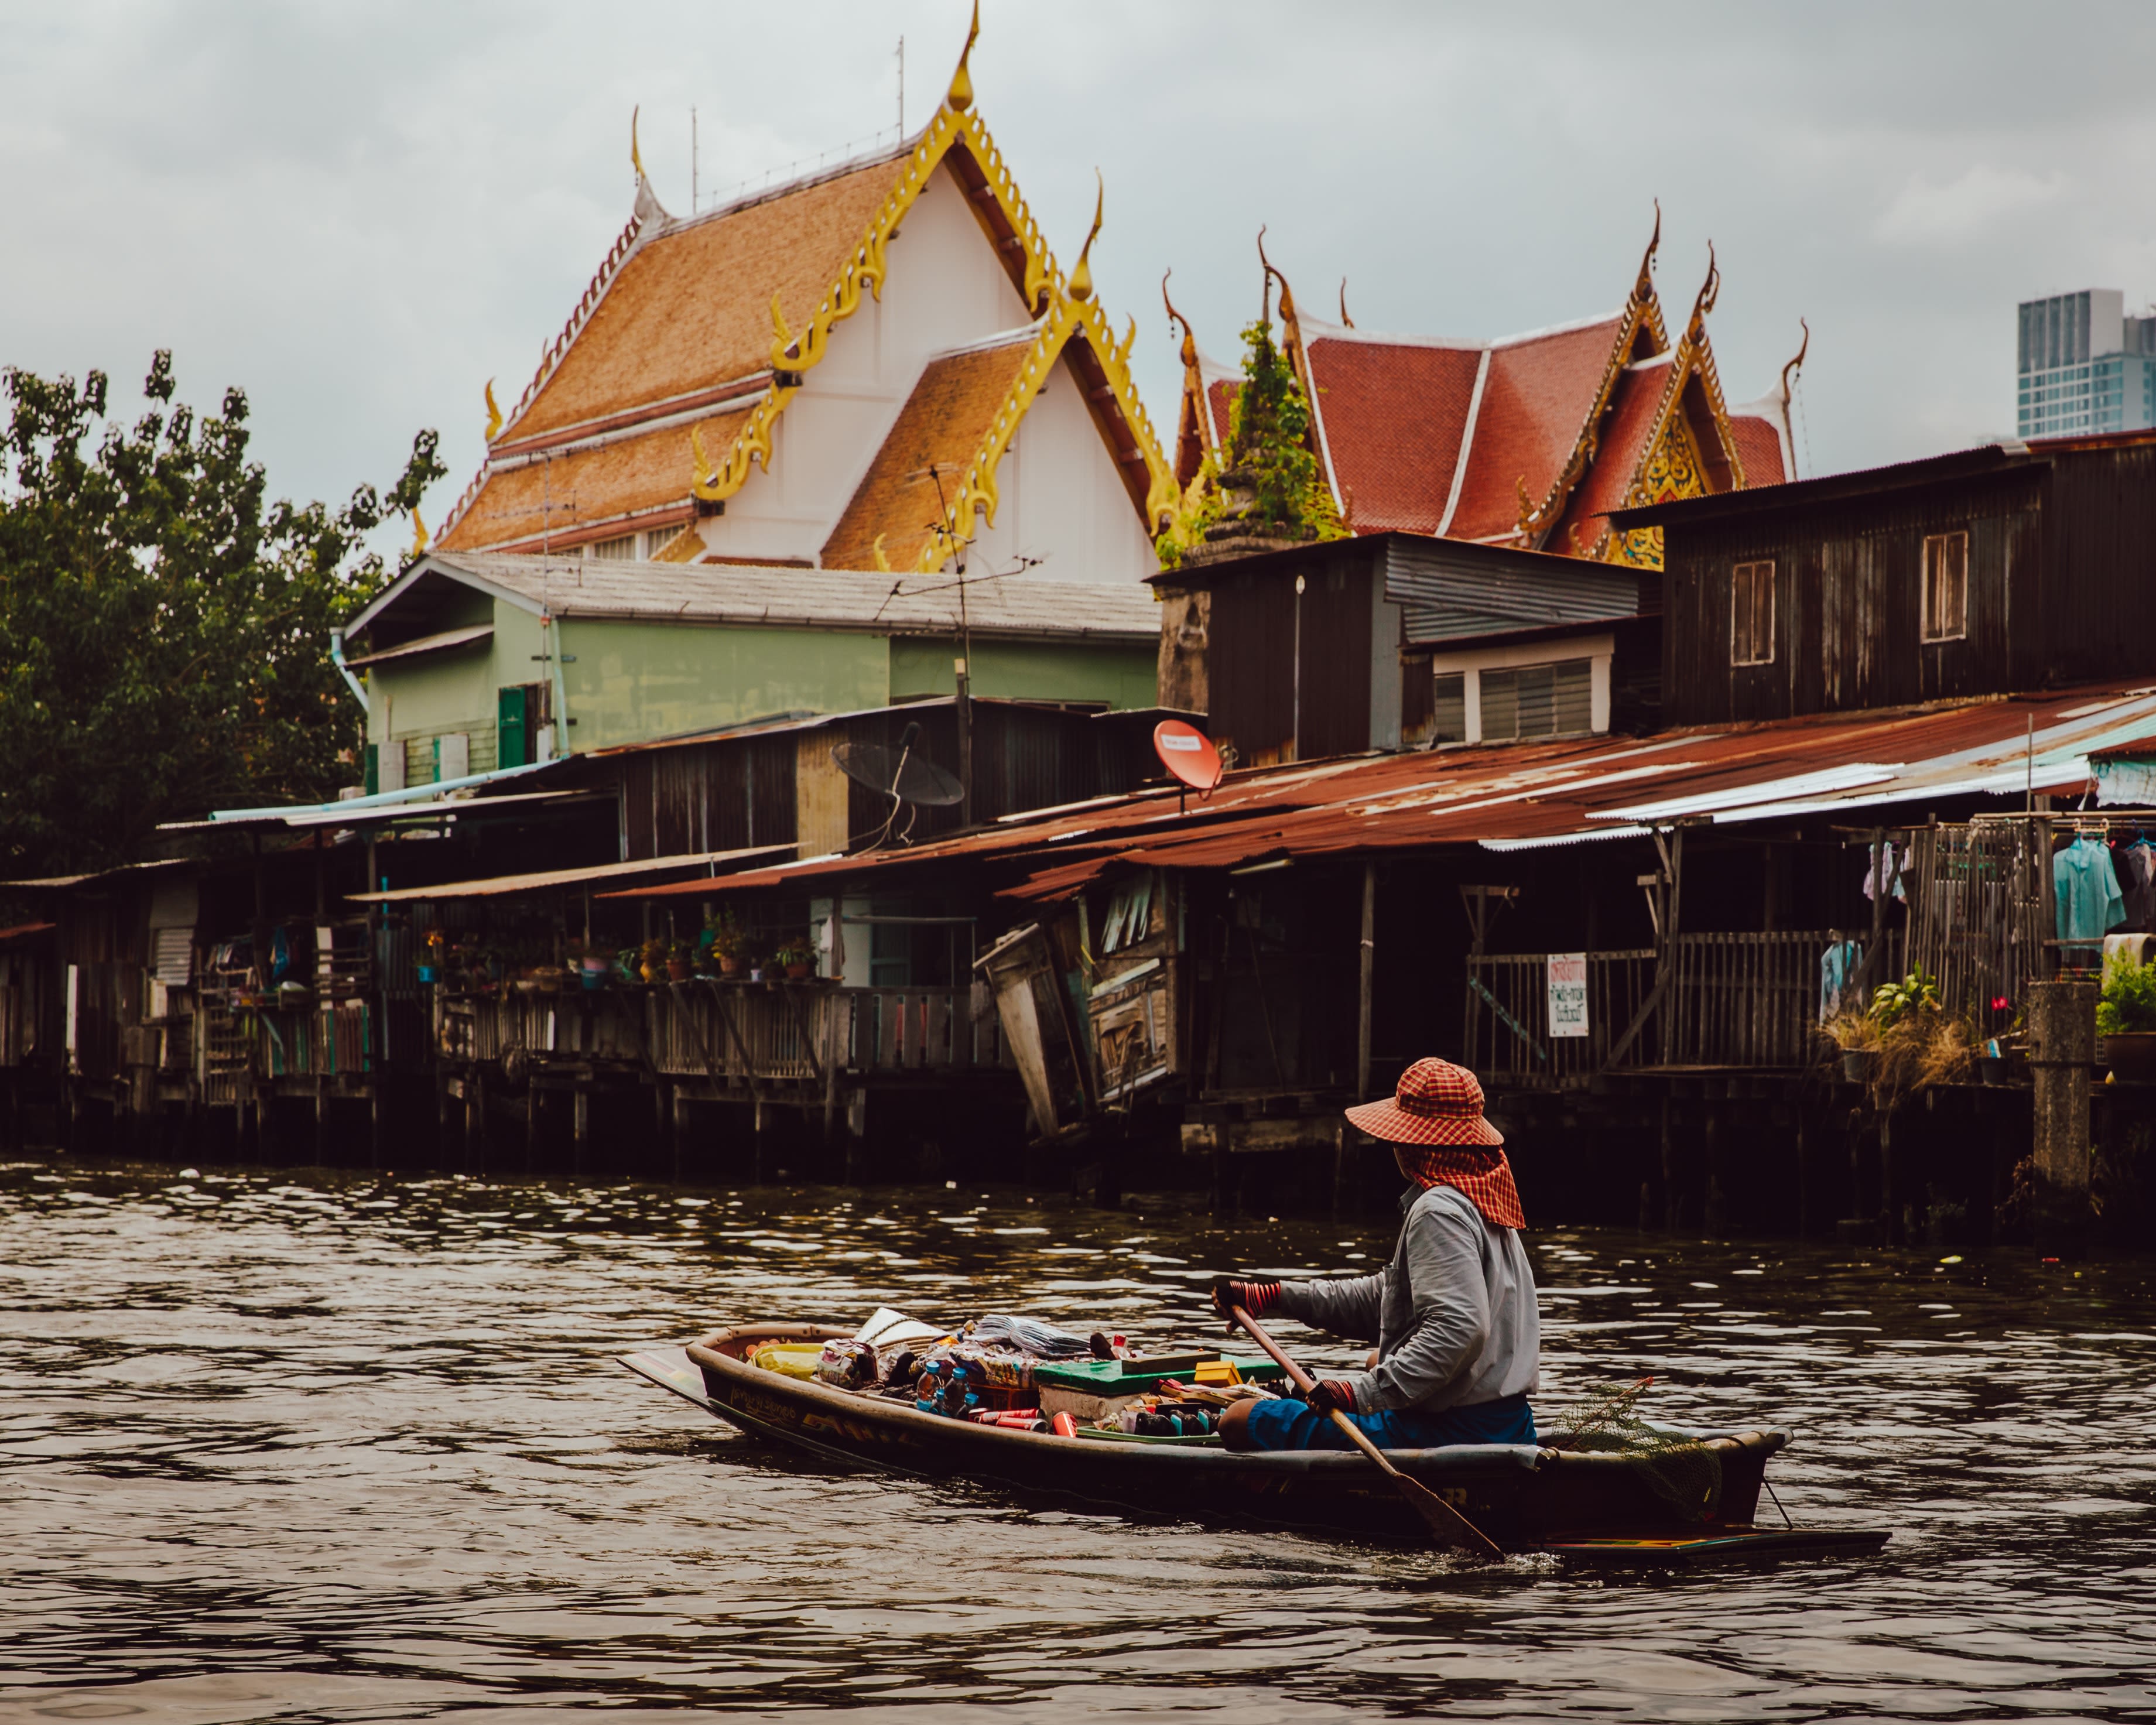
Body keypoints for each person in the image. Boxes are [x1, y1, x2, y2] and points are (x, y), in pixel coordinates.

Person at [1213, 1056, 1539, 1452]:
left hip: (1455, 1431)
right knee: (1374, 1360)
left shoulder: (1438, 1210)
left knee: (1237, 1419)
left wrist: (1359, 1394)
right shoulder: (1482, 1200)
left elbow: (1458, 1330)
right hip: (1510, 1424)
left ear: (1412, 1143)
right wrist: (1273, 1297)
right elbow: (1387, 1299)